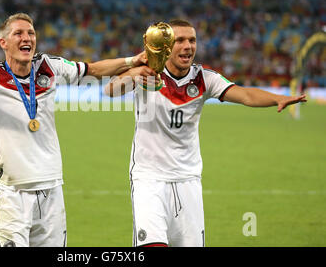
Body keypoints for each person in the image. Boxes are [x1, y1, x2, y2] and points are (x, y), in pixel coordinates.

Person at [0, 12, 148, 247]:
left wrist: (132, 61)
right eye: (18, 33)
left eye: (31, 33)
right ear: (3, 43)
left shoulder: (49, 66)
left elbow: (94, 70)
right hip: (11, 192)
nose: (26, 38)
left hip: (51, 188)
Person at [105, 18, 307, 247]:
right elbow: (110, 90)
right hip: (149, 178)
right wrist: (134, 73)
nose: (188, 46)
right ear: (167, 46)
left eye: (192, 40)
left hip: (188, 178)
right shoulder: (147, 73)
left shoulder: (205, 78)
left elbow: (246, 95)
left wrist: (277, 98)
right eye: (180, 40)